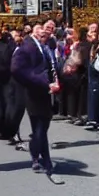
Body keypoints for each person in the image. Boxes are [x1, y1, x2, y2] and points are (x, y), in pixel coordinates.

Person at [11, 21, 61, 180]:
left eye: (47, 30)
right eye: (41, 28)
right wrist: (40, 81)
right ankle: (44, 160)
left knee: (42, 127)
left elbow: (51, 65)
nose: (44, 32)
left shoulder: (45, 46)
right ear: (33, 30)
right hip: (33, 92)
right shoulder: (26, 46)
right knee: (40, 127)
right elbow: (16, 69)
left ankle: (36, 155)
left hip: (46, 92)